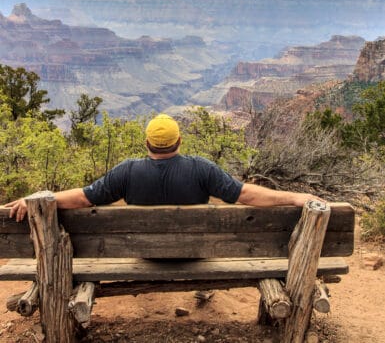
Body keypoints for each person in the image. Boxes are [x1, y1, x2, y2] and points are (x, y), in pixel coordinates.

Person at [6, 114, 322, 222]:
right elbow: (248, 196)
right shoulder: (203, 168)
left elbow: (82, 199)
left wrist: (41, 196)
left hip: (141, 253)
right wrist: (294, 197)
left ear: (146, 143)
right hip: (196, 253)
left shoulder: (126, 171)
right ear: (179, 141)